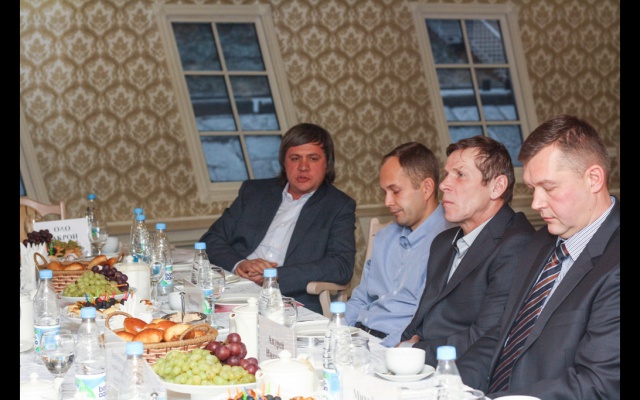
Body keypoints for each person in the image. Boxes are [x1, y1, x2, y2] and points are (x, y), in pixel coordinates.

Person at [457, 115, 620, 399]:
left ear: (593, 179)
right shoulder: (539, 242)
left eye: (550, 188)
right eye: (533, 189)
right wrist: (451, 383)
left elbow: (598, 383)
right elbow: (502, 334)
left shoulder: (614, 263)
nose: (536, 203)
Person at [396, 135, 535, 368]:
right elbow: (419, 322)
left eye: (460, 175)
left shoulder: (516, 244)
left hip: (464, 375)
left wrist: (412, 351)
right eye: (446, 174)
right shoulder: (442, 242)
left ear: (497, 187)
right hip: (422, 366)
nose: (443, 185)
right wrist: (404, 349)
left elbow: (486, 338)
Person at [199, 122, 356, 314]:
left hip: (288, 299)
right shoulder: (254, 192)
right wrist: (241, 263)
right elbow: (211, 240)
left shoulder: (338, 205)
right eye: (295, 158)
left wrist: (274, 275)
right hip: (234, 289)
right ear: (284, 162)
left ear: (327, 163)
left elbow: (340, 266)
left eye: (313, 158)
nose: (303, 167)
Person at [345, 142, 455, 347]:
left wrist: (380, 351)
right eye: (384, 192)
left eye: (395, 191)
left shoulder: (450, 241)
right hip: (358, 337)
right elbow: (360, 297)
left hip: (394, 345)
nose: (387, 201)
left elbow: (423, 322)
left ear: (426, 188)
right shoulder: (385, 236)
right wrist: (337, 332)